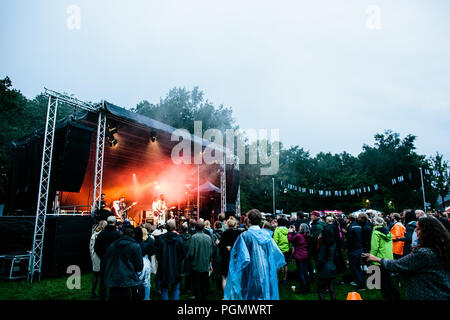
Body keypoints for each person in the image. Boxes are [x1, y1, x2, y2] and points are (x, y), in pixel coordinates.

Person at [364, 216, 450, 300]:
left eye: (418, 228)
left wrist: (375, 258)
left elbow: (397, 265)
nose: (415, 231)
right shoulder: (442, 249)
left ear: (428, 232)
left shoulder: (424, 253)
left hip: (425, 294)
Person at [224, 209, 286, 300]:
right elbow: (278, 254)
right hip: (265, 269)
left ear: (248, 220)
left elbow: (240, 257)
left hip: (249, 269)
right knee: (264, 293)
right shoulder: (266, 236)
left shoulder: (245, 236)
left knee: (250, 293)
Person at [103, 225, 144, 300]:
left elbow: (106, 262)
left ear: (122, 233)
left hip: (113, 281)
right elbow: (139, 267)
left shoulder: (112, 246)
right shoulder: (135, 247)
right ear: (133, 234)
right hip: (129, 282)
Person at [369, 217, 401, 300]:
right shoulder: (388, 232)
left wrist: (371, 258)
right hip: (388, 259)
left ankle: (389, 297)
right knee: (388, 280)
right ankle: (396, 296)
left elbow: (374, 247)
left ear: (375, 223)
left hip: (378, 259)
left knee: (382, 283)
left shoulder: (376, 232)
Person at [156, 219, 185, 300]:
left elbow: (158, 255)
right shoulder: (179, 239)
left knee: (165, 288)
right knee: (175, 288)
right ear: (175, 227)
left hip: (164, 267)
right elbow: (182, 254)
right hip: (175, 267)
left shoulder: (161, 239)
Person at [94, 216, 121, 300]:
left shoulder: (102, 233)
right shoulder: (117, 234)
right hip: (115, 261)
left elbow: (96, 247)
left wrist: (102, 256)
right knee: (115, 280)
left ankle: (102, 296)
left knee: (103, 281)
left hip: (104, 260)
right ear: (115, 222)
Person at [187, 219, 215, 300]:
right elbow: (211, 252)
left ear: (195, 227)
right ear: (203, 227)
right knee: (204, 283)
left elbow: (191, 253)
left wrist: (189, 260)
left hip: (195, 265)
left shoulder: (194, 237)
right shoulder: (208, 238)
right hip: (205, 264)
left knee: (197, 284)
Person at [316, 216, 337, 300]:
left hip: (325, 267)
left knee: (320, 289)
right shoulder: (333, 244)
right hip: (332, 267)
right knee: (331, 287)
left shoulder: (324, 246)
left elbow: (321, 259)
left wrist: (318, 267)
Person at [219, 217, 241, 291]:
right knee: (236, 276)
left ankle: (225, 296)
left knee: (225, 277)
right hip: (236, 257)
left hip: (226, 258)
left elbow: (221, 246)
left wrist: (221, 245)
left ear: (227, 224)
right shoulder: (238, 233)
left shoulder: (224, 233)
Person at [288, 223, 311, 294]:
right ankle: (308, 288)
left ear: (301, 228)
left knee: (301, 272)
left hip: (299, 255)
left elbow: (290, 239)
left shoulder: (298, 236)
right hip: (305, 255)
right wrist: (294, 232)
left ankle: (303, 289)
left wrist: (290, 232)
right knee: (306, 272)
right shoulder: (308, 236)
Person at [346, 213, 366, 290]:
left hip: (353, 250)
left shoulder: (351, 227)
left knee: (354, 267)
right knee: (358, 266)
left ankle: (361, 284)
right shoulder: (359, 226)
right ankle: (362, 282)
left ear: (349, 219)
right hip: (359, 248)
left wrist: (348, 248)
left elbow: (349, 240)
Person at [89, 220, 107, 299]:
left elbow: (90, 247)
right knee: (102, 276)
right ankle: (101, 293)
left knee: (95, 275)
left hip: (94, 256)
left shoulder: (94, 234)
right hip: (99, 256)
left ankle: (93, 293)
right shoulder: (101, 235)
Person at [309, 211, 326, 279]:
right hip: (318, 246)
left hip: (318, 246)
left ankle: (320, 274)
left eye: (312, 215)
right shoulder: (316, 224)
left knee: (318, 260)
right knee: (318, 260)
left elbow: (316, 238)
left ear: (316, 216)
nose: (311, 217)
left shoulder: (318, 225)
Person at [273, 217, 290, 285]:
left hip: (279, 250)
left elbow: (275, 241)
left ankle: (277, 279)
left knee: (278, 265)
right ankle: (285, 278)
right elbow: (290, 239)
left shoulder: (277, 230)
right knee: (286, 264)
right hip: (287, 249)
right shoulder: (288, 230)